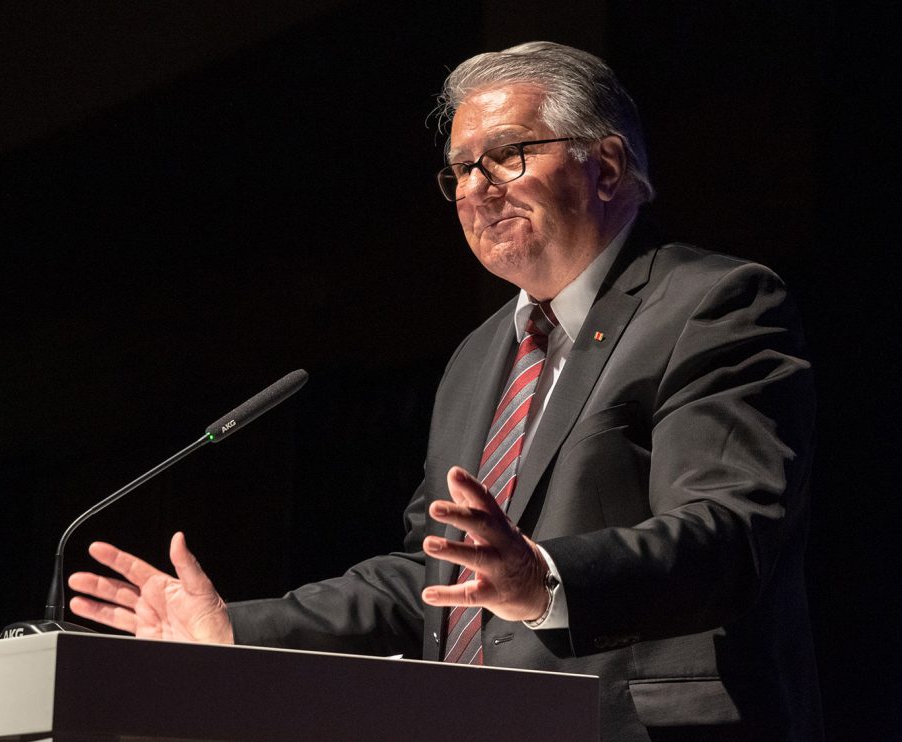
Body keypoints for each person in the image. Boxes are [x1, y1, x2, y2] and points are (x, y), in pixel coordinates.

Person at [68, 41, 821, 741]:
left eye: (508, 155)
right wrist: (235, 631)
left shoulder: (712, 304)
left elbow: (729, 534)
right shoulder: (479, 355)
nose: (476, 190)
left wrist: (544, 580)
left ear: (609, 168)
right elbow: (435, 579)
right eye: (460, 170)